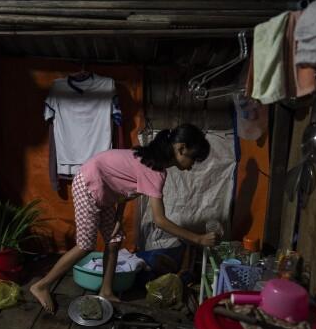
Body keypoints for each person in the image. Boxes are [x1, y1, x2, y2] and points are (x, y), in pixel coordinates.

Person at [30, 123, 217, 312]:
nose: (193, 165)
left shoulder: (150, 161)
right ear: (181, 148)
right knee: (85, 245)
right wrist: (198, 238)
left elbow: (123, 189)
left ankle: (106, 291)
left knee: (114, 240)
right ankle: (42, 285)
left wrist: (118, 218)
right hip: (88, 184)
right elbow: (159, 220)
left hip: (105, 192)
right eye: (193, 158)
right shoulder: (154, 171)